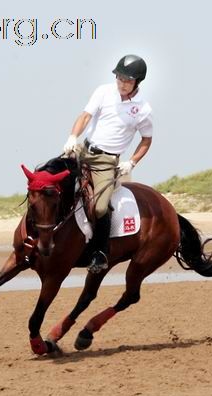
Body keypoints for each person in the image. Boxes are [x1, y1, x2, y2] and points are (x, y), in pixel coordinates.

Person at [63, 54, 153, 273]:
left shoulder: (143, 109)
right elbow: (85, 116)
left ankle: (100, 252)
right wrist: (73, 137)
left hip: (107, 162)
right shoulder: (103, 91)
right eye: (120, 78)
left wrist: (131, 163)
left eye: (127, 80)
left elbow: (147, 139)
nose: (122, 83)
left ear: (137, 82)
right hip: (83, 150)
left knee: (101, 206)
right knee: (52, 183)